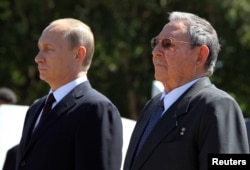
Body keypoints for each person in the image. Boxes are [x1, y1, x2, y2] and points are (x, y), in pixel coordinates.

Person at [123, 11, 249, 170]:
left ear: (200, 55)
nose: (155, 51)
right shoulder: (153, 107)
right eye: (156, 42)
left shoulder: (218, 106)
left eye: (168, 43)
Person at [16, 18, 123, 170]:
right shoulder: (36, 108)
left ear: (78, 54)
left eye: (49, 49)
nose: (38, 58)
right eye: (40, 48)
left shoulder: (96, 109)